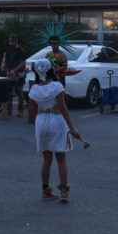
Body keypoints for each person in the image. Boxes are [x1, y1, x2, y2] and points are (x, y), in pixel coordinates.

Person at [27, 58, 82, 203]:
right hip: (56, 119)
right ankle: (64, 191)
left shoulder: (33, 89)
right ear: (51, 69)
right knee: (61, 157)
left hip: (41, 120)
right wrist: (72, 128)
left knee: (46, 158)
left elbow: (31, 115)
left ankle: (45, 191)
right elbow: (63, 108)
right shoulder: (57, 86)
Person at [0, 34, 28, 117]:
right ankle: (9, 110)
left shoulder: (21, 51)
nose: (11, 43)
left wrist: (15, 70)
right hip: (10, 73)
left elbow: (23, 63)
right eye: (10, 41)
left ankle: (20, 111)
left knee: (19, 91)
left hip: (19, 74)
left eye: (13, 41)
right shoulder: (7, 50)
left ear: (16, 42)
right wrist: (5, 67)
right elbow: (5, 60)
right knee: (9, 93)